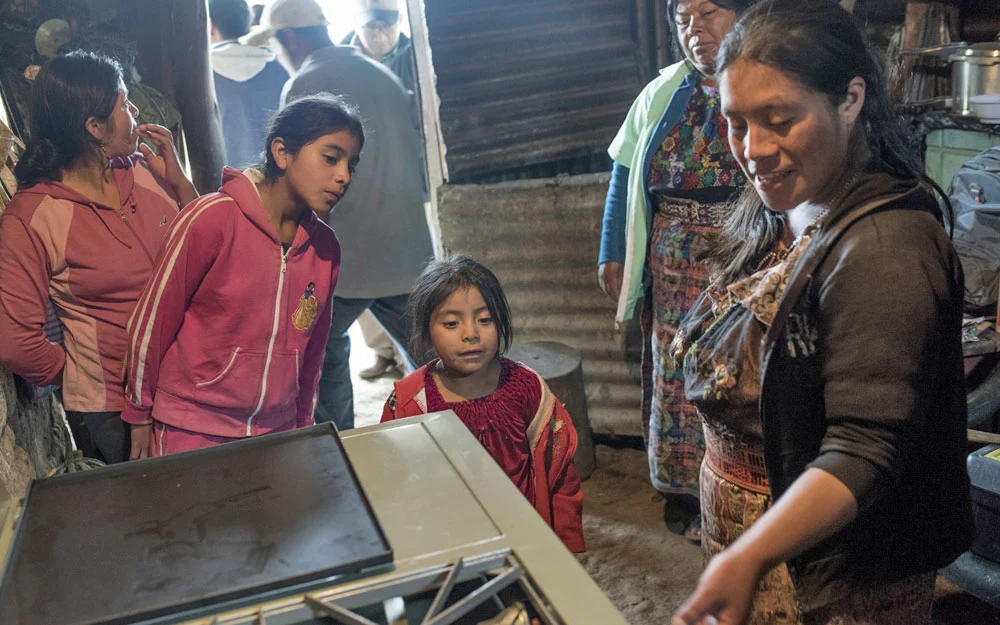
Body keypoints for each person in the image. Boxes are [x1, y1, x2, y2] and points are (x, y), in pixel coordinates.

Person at [670, 1, 974, 623]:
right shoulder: (786, 203)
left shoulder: (887, 246)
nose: (753, 150)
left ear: (851, 98)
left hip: (838, 576)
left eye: (779, 120)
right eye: (735, 124)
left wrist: (750, 555)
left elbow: (865, 444)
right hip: (754, 536)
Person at [123, 94, 361, 457]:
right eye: (330, 158)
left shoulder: (325, 249)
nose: (343, 177)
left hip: (275, 432)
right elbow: (152, 324)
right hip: (192, 427)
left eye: (351, 166)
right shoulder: (211, 219)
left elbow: (313, 353)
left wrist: (300, 427)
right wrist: (139, 415)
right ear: (281, 152)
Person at [599, 0, 755, 541]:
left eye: (710, 13)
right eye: (684, 18)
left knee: (740, 369)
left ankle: (741, 488)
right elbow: (625, 172)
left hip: (745, 251)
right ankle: (685, 491)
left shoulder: (768, 80)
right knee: (676, 373)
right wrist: (612, 251)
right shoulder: (662, 91)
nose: (695, 30)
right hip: (672, 257)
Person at [245, 0, 434, 430]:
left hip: (343, 256)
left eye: (276, 43)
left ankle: (341, 451)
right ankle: (465, 438)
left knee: (322, 361)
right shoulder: (381, 74)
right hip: (405, 250)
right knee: (434, 363)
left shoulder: (305, 84)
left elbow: (293, 180)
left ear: (291, 38)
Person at [0, 51, 195, 465]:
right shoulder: (34, 216)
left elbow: (205, 245)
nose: (135, 111)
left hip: (189, 379)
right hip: (113, 409)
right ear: (94, 127)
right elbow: (14, 340)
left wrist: (179, 181)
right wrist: (79, 376)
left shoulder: (144, 168)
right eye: (124, 103)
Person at [381, 256, 585, 553]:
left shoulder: (527, 388)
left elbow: (560, 473)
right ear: (426, 331)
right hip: (446, 551)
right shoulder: (411, 403)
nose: (470, 334)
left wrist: (566, 545)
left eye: (485, 319)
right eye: (451, 323)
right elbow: (391, 484)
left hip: (522, 544)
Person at [209, 0, 290, 168]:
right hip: (275, 176)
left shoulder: (201, 73)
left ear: (209, 25)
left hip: (221, 182)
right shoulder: (281, 67)